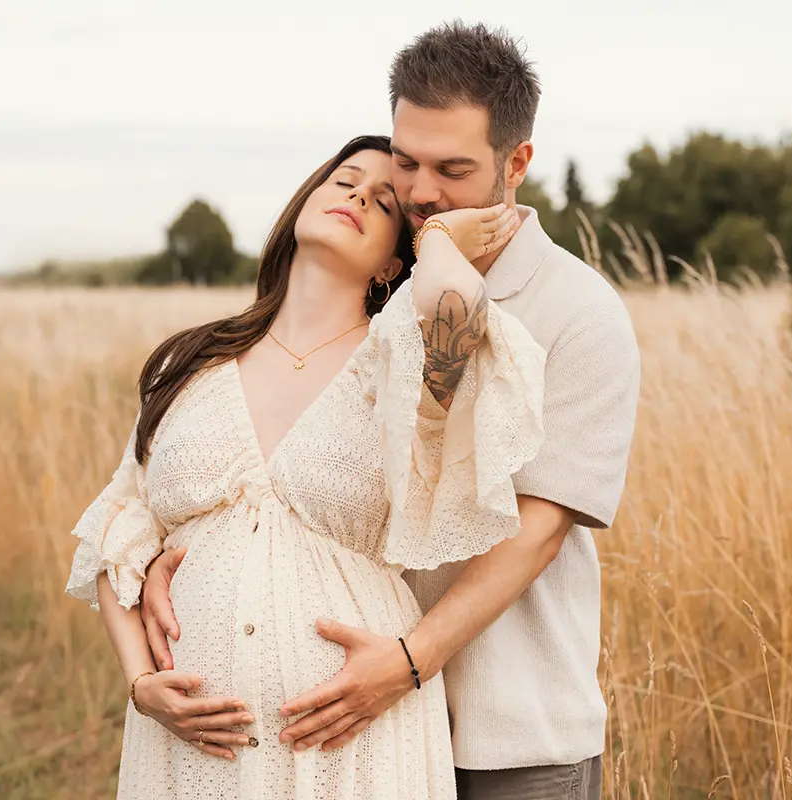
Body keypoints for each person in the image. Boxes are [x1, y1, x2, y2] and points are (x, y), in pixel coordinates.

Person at [141, 21, 641, 800]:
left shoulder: (579, 312)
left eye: (453, 168)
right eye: (408, 161)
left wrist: (406, 664)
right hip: (368, 731)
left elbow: (538, 533)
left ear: (518, 163)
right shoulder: (387, 300)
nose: (422, 191)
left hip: (509, 730)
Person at [64, 133, 548, 799]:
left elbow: (456, 310)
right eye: (344, 180)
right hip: (189, 747)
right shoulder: (193, 364)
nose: (356, 196)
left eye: (384, 203)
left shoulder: (397, 363)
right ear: (303, 204)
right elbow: (118, 532)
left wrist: (435, 241)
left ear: (391, 263)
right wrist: (141, 685)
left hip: (354, 746)